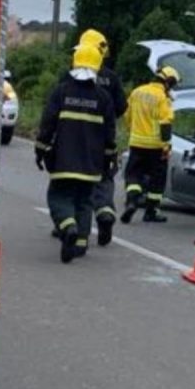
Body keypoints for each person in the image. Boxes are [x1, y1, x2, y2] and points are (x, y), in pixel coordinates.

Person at [35, 43, 116, 264]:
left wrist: (40, 150)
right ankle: (80, 243)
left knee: (59, 197)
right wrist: (109, 160)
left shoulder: (61, 92)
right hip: (91, 165)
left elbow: (47, 125)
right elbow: (110, 135)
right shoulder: (104, 98)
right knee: (84, 201)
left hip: (63, 162)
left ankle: (67, 226)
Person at [52, 29, 127, 246]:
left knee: (69, 189)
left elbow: (54, 107)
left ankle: (67, 225)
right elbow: (121, 107)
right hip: (103, 139)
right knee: (103, 181)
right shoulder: (111, 78)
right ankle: (104, 212)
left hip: (70, 142)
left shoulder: (69, 78)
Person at [120, 66, 181, 224]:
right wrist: (166, 145)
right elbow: (166, 122)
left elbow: (127, 115)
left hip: (136, 142)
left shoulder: (137, 92)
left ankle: (132, 201)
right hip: (156, 146)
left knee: (133, 175)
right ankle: (151, 211)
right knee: (157, 179)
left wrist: (132, 132)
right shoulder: (162, 98)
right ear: (167, 82)